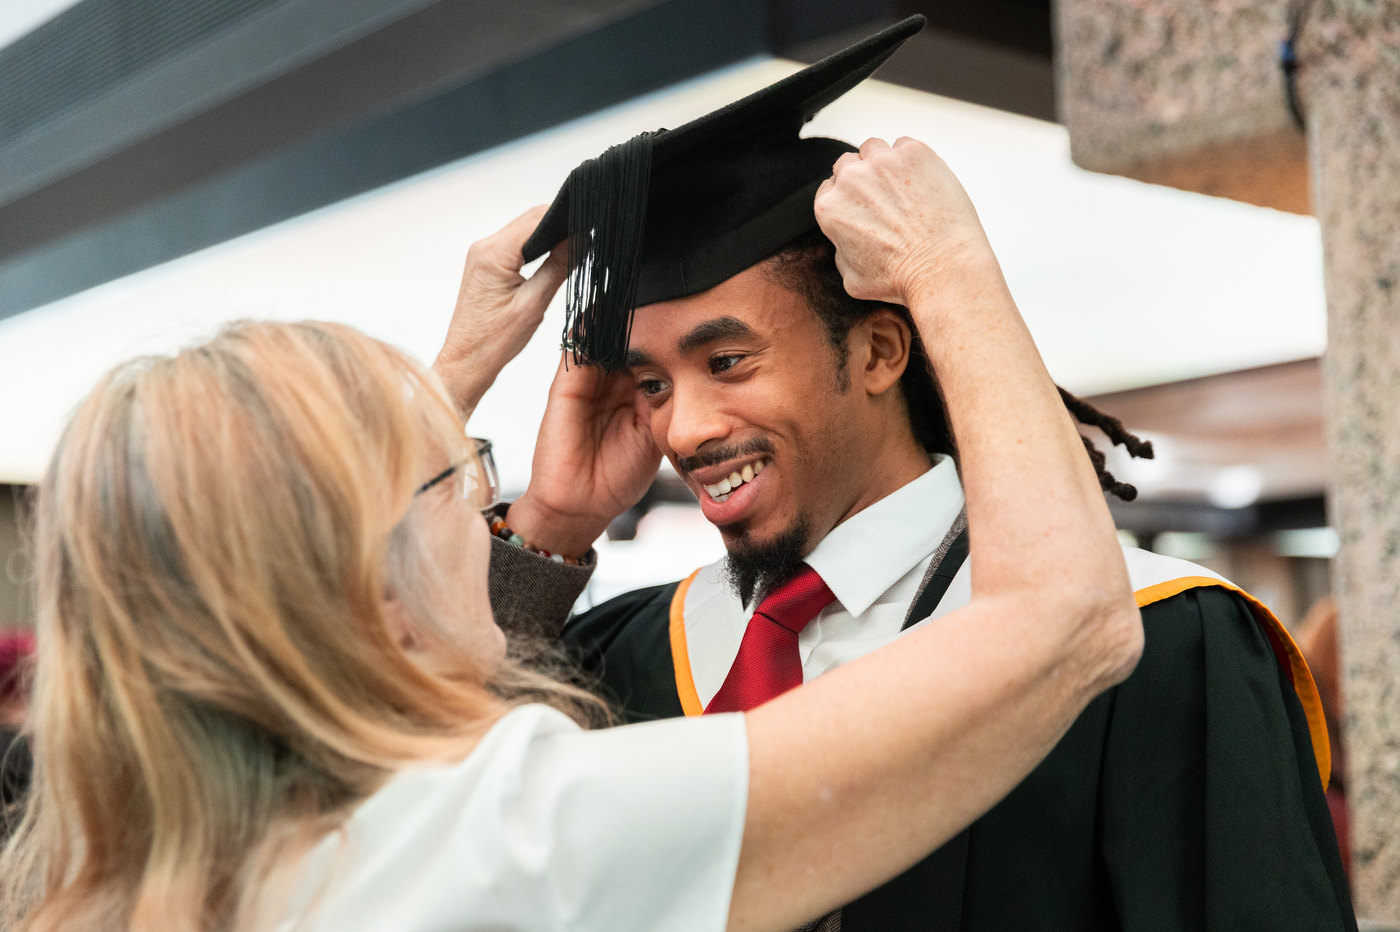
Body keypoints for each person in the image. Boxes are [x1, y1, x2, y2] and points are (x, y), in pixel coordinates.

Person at [0, 137, 1144, 931]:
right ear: (370, 587)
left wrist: (510, 486)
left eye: (724, 360)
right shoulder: (509, 836)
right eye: (464, 486)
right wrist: (947, 267)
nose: (497, 514)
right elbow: (1062, 618)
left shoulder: (102, 872)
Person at [436, 17, 1357, 932]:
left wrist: (949, 272)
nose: (684, 427)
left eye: (727, 363)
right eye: (650, 383)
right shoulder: (623, 656)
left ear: (878, 351)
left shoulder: (1161, 639)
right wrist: (553, 521)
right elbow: (411, 824)